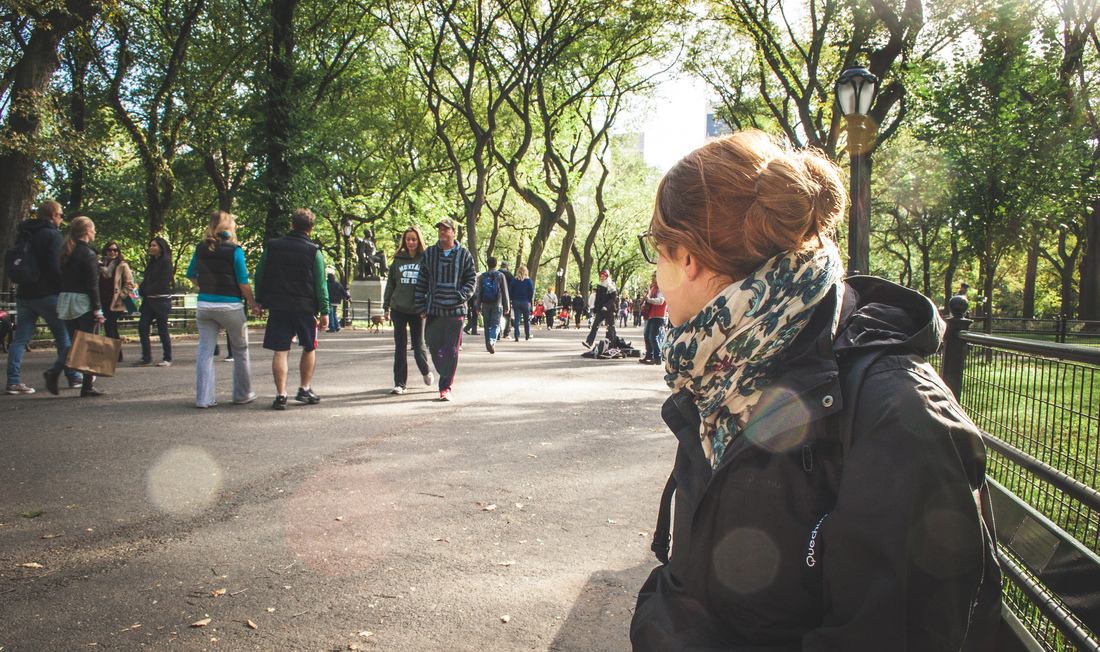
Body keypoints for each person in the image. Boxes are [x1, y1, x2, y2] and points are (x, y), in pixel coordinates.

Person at [630, 130, 1000, 650]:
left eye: (658, 253)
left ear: (687, 257)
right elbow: (692, 578)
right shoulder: (724, 374)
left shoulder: (893, 411)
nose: (658, 277)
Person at [5, 200, 83, 395]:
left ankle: (13, 381)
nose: (61, 219)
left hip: (25, 294)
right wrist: (63, 287)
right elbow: (54, 267)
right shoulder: (52, 235)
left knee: (20, 339)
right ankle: (73, 376)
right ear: (54, 215)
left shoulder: (25, 233)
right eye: (61, 215)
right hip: (48, 294)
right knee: (62, 336)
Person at [254, 208, 329, 410]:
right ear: (310, 228)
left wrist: (259, 300)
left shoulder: (273, 247)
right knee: (309, 346)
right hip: (304, 306)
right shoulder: (314, 252)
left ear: (291, 224)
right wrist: (324, 311)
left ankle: (281, 394)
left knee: (280, 350)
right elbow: (320, 284)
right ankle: (304, 388)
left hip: (279, 305)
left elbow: (260, 275)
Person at [185, 210, 258, 408]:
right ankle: (242, 394)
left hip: (205, 305)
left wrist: (203, 286)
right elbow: (243, 282)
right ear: (229, 226)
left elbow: (190, 274)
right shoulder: (234, 250)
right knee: (240, 349)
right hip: (230, 305)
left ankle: (203, 398)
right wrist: (252, 303)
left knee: (205, 351)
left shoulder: (201, 248)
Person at [414, 217, 476, 401]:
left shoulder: (464, 255)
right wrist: (420, 304)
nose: (442, 232)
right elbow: (422, 280)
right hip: (434, 309)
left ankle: (445, 387)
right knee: (432, 344)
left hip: (455, 311)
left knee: (451, 350)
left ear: (453, 232)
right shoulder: (430, 254)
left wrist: (460, 295)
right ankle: (443, 370)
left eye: (446, 229)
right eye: (440, 229)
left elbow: (471, 280)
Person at [56, 216, 105, 397]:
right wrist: (98, 308)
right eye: (93, 229)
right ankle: (87, 385)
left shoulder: (66, 252)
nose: (95, 232)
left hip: (67, 299)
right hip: (83, 302)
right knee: (90, 344)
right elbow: (92, 285)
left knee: (74, 342)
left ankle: (56, 370)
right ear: (86, 231)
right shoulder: (88, 254)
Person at [383, 226, 433, 395]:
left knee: (418, 346)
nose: (411, 242)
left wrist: (428, 305)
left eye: (414, 239)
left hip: (417, 308)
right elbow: (391, 284)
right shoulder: (398, 259)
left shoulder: (425, 259)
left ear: (419, 241)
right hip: (398, 308)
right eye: (408, 239)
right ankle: (399, 383)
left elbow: (429, 285)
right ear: (404, 241)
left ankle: (425, 370)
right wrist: (386, 306)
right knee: (400, 346)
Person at [135, 236, 174, 367]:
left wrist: (149, 290)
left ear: (161, 248)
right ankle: (146, 357)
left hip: (161, 301)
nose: (151, 248)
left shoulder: (166, 262)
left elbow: (163, 282)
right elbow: (146, 280)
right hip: (148, 301)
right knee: (142, 327)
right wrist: (142, 289)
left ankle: (167, 358)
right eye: (150, 245)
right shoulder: (151, 263)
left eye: (154, 245)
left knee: (162, 330)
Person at [98, 241, 133, 361]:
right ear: (105, 251)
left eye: (115, 250)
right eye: (109, 250)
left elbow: (129, 284)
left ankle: (114, 355)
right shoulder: (101, 265)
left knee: (110, 325)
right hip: (103, 300)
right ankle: (116, 355)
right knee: (109, 327)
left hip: (116, 301)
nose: (112, 252)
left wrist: (121, 296)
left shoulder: (122, 265)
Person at [473, 255, 509, 353]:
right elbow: (505, 291)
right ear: (496, 264)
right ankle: (492, 341)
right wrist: (507, 306)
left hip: (485, 304)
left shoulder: (482, 276)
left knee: (487, 325)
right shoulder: (501, 275)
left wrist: (477, 306)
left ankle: (487, 343)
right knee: (495, 324)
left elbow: (479, 292)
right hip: (498, 304)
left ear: (487, 264)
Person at [582, 270, 618, 348]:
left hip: (609, 310)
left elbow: (613, 298)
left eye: (603, 276)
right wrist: (595, 308)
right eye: (600, 276)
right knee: (595, 326)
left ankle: (613, 343)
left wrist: (606, 306)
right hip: (601, 309)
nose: (601, 277)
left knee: (611, 326)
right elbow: (598, 299)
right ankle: (589, 342)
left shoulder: (610, 285)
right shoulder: (600, 285)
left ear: (606, 277)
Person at [639, 273, 667, 365]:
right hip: (651, 315)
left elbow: (661, 301)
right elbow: (648, 299)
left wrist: (648, 300)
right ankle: (649, 355)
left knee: (653, 337)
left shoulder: (662, 288)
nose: (652, 279)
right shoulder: (653, 288)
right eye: (652, 277)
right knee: (647, 336)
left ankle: (657, 358)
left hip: (659, 316)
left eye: (654, 277)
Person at [510, 264, 534, 341]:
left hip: (516, 301)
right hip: (525, 302)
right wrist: (529, 301)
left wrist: (512, 299)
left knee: (517, 319)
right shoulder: (528, 281)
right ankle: (527, 335)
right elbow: (531, 292)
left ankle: (517, 336)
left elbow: (510, 291)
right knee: (526, 320)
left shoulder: (514, 280)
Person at [498, 261, 516, 339]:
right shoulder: (509, 275)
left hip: (497, 298)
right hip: (507, 297)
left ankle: (497, 333)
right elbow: (513, 287)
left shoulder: (496, 273)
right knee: (507, 316)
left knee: (497, 315)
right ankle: (506, 332)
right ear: (507, 266)